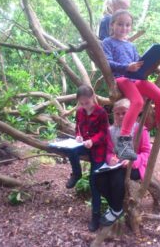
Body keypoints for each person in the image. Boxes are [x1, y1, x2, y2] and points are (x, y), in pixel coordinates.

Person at [102, 9, 160, 160]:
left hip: (136, 78)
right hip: (121, 77)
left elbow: (138, 63)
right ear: (112, 25)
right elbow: (107, 63)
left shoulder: (131, 46)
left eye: (128, 25)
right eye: (120, 24)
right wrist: (126, 67)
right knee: (138, 101)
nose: (124, 28)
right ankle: (123, 141)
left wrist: (148, 64)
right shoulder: (107, 42)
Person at [95, 98, 151, 226]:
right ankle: (116, 208)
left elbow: (147, 153)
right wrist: (111, 159)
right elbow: (109, 151)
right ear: (113, 114)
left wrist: (132, 161)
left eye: (124, 113)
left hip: (135, 167)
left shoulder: (140, 129)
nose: (120, 116)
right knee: (99, 178)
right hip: (117, 166)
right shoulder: (111, 131)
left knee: (116, 178)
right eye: (117, 113)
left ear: (131, 112)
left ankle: (115, 210)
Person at [65, 85, 110, 232]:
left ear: (93, 98)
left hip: (98, 149)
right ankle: (76, 173)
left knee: (94, 183)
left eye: (87, 102)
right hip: (85, 144)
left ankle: (95, 216)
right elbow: (78, 127)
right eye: (82, 103)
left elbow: (104, 134)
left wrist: (93, 141)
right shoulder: (79, 112)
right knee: (70, 150)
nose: (84, 106)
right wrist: (78, 136)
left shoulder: (101, 112)